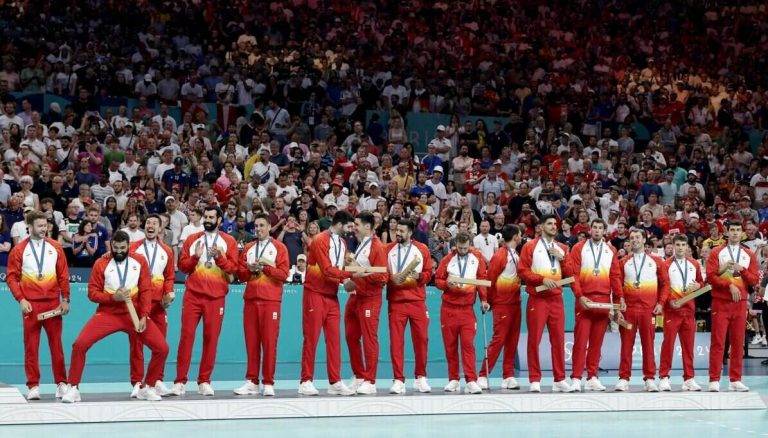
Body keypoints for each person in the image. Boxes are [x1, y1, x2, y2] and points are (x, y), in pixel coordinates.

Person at [61, 231, 169, 403]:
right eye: (115, 248)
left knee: (162, 348)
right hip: (108, 313)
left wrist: (144, 315)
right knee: (79, 344)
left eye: (122, 248)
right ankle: (73, 388)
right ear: (111, 245)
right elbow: (92, 293)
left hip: (133, 314)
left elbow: (146, 291)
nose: (119, 251)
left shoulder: (140, 261)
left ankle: (146, 387)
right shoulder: (101, 263)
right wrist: (113, 298)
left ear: (129, 246)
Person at [169, 207, 238, 397]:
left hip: (216, 298)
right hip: (193, 296)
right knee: (186, 338)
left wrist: (220, 258)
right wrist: (195, 257)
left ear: (219, 220)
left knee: (211, 339)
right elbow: (183, 267)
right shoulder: (192, 239)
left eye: (211, 217)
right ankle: (180, 382)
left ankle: (205, 381)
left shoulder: (229, 241)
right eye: (205, 216)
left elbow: (234, 269)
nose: (207, 219)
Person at [6, 210, 71, 400]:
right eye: (40, 226)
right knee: (31, 347)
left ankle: (61, 383)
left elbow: (63, 275)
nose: (44, 229)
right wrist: (21, 299)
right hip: (31, 305)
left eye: (46, 226)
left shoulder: (56, 247)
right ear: (30, 227)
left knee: (56, 346)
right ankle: (33, 385)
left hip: (53, 304)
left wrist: (65, 299)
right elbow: (11, 277)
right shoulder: (19, 249)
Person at [299, 210, 356, 396]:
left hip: (331, 295)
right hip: (314, 293)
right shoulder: (319, 240)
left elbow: (337, 269)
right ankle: (305, 380)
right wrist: (350, 275)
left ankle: (335, 381)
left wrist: (345, 280)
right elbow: (326, 269)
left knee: (334, 340)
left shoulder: (342, 242)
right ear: (339, 224)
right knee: (312, 338)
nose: (351, 229)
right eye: (349, 226)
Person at [233, 213, 290, 397]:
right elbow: (240, 275)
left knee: (269, 342)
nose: (258, 229)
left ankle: (268, 381)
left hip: (270, 301)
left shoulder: (279, 247)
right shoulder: (249, 247)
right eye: (256, 226)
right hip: (250, 300)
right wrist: (249, 270)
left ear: (269, 226)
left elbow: (283, 274)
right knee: (251, 343)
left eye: (261, 226)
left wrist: (265, 267)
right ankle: (251, 381)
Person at [565, 218, 623, 392]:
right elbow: (573, 274)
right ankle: (576, 377)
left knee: (597, 342)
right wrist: (579, 296)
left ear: (604, 231)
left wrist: (618, 301)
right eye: (594, 228)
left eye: (600, 228)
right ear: (590, 230)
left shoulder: (610, 250)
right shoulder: (578, 248)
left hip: (604, 301)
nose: (597, 230)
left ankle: (592, 376)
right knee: (581, 341)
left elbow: (615, 276)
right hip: (585, 300)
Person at [518, 214, 573, 393]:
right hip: (538, 298)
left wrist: (562, 258)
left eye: (555, 224)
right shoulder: (530, 246)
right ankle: (535, 378)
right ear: (541, 227)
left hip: (556, 299)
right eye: (549, 224)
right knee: (534, 339)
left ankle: (559, 379)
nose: (553, 226)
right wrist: (542, 279)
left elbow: (571, 273)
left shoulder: (562, 247)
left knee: (558, 339)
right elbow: (523, 271)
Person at [706, 221, 759, 392]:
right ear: (727, 233)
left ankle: (735, 379)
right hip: (720, 302)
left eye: (738, 230)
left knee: (738, 343)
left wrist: (742, 270)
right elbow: (710, 277)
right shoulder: (716, 252)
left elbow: (754, 280)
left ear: (742, 233)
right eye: (732, 230)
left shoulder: (749, 254)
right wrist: (729, 284)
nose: (735, 233)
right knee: (718, 342)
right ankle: (714, 379)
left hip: (740, 304)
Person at [434, 231, 489, 394]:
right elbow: (437, 280)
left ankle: (471, 380)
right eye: (460, 248)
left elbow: (481, 281)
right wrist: (446, 285)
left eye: (465, 248)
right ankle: (453, 379)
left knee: (468, 345)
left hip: (467, 310)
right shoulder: (447, 259)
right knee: (450, 346)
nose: (463, 250)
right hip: (449, 309)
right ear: (455, 246)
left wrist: (484, 300)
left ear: (470, 246)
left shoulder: (477, 259)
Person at [127, 214, 175, 397]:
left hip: (158, 304)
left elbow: (169, 276)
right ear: (143, 226)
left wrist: (168, 293)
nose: (150, 225)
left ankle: (156, 380)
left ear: (160, 229)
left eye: (155, 223)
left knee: (161, 344)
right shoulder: (133, 248)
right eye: (148, 222)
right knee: (137, 343)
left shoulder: (167, 251)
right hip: (139, 303)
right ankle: (138, 382)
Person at [615, 229, 668, 392]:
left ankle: (650, 378)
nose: (635, 240)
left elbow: (665, 284)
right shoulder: (623, 261)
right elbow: (617, 285)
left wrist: (661, 303)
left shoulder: (657, 261)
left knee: (648, 344)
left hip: (648, 310)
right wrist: (618, 304)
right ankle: (624, 378)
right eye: (632, 238)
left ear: (644, 240)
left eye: (638, 237)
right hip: (628, 310)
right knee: (626, 345)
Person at [385, 218, 434, 395]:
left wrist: (419, 276)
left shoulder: (422, 249)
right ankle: (398, 379)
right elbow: (384, 274)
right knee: (396, 342)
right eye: (397, 230)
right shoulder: (388, 249)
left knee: (421, 340)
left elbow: (429, 273)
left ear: (410, 233)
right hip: (396, 301)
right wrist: (391, 279)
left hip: (417, 301)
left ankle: (421, 377)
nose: (398, 233)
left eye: (402, 231)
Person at [342, 211, 388, 395]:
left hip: (370, 298)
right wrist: (348, 279)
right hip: (355, 296)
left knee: (369, 338)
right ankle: (359, 375)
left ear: (368, 227)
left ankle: (370, 380)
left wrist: (362, 272)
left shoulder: (376, 246)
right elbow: (357, 272)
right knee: (351, 336)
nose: (354, 227)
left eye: (357, 224)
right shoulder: (361, 246)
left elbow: (383, 276)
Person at [478, 225, 523, 391]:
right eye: (520, 234)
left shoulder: (516, 255)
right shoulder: (500, 255)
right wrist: (488, 301)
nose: (521, 237)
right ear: (516, 237)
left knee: (513, 340)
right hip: (502, 304)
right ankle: (483, 375)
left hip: (515, 303)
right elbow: (490, 279)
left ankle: (508, 375)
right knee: (498, 340)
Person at [659, 235, 703, 392]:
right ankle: (664, 377)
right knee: (668, 345)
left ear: (687, 247)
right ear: (672, 246)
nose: (680, 248)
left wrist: (698, 285)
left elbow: (701, 283)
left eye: (683, 245)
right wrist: (669, 300)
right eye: (677, 244)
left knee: (688, 347)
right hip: (672, 311)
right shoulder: (666, 264)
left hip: (689, 311)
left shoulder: (694, 264)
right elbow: (663, 286)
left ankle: (689, 378)